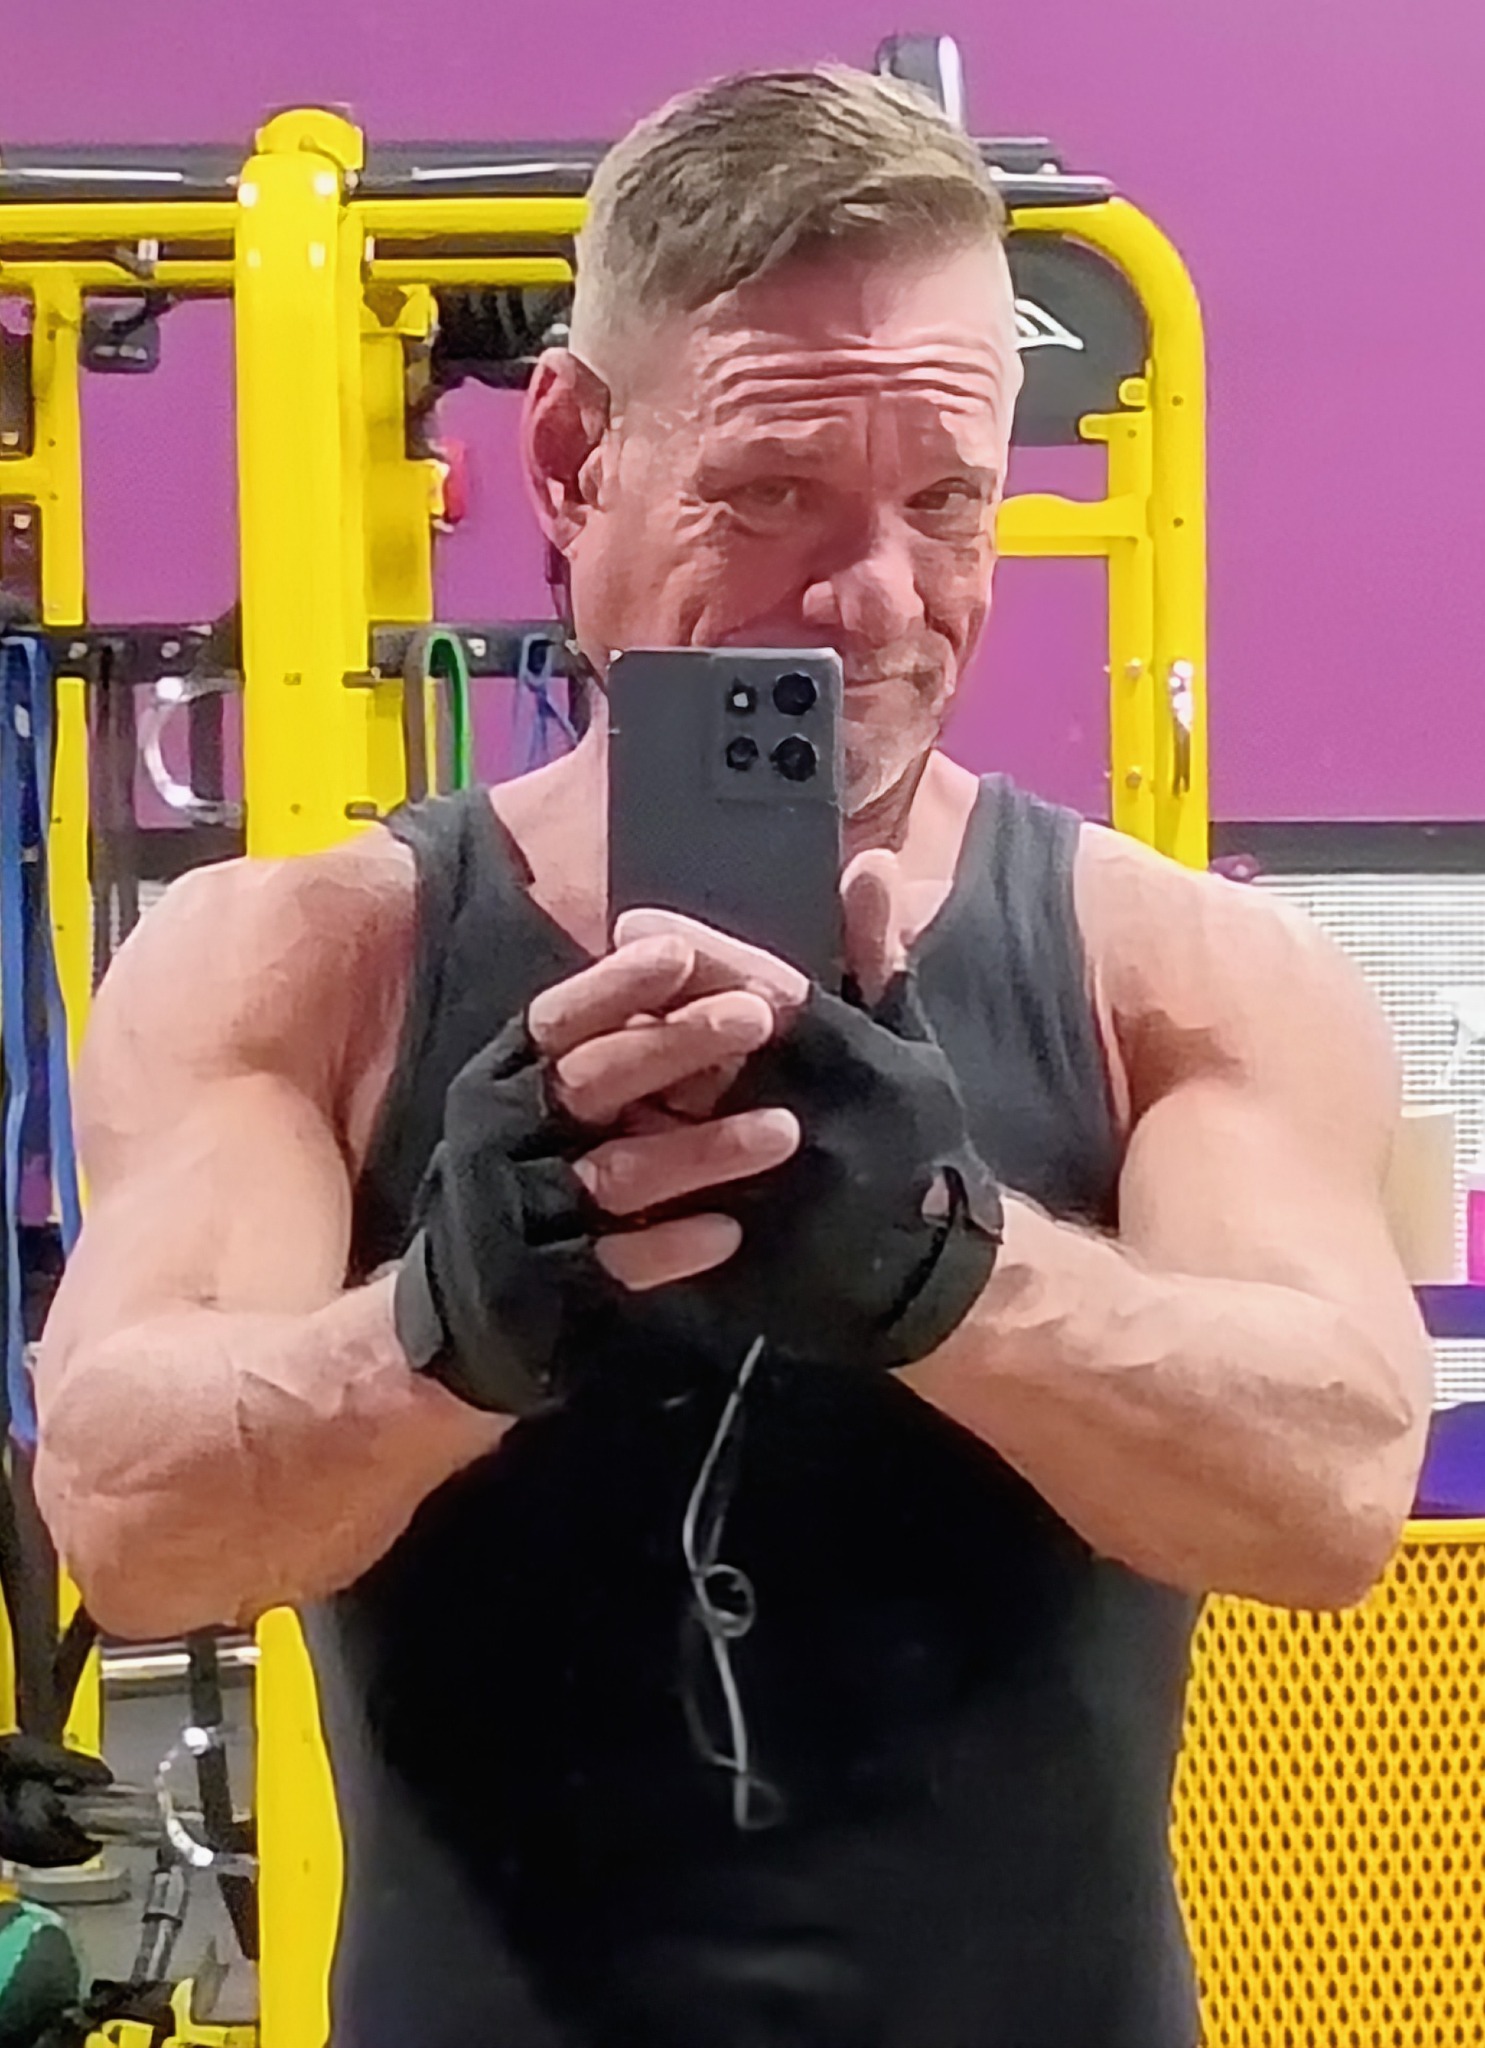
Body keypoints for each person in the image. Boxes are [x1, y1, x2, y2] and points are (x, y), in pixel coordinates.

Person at [34, 66, 1431, 2048]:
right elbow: (130, 1522)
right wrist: (439, 1329)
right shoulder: (305, 964)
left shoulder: (1176, 971)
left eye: (944, 503)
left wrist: (956, 1275)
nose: (874, 602)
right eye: (772, 494)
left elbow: (1329, 1495)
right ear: (573, 455)